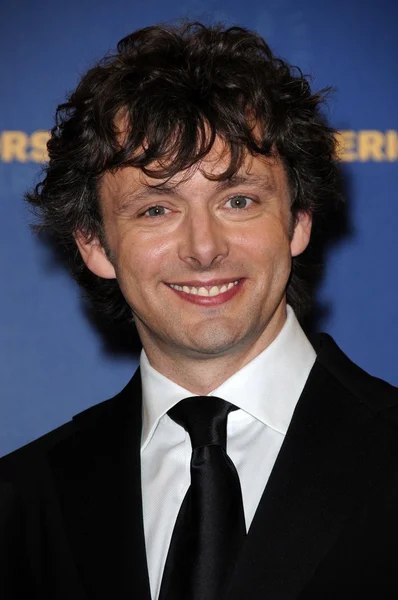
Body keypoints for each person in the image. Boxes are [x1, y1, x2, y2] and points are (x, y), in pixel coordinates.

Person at [1, 20, 398, 600]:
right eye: (156, 210)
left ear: (298, 220)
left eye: (238, 200)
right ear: (94, 244)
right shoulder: (21, 502)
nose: (204, 248)